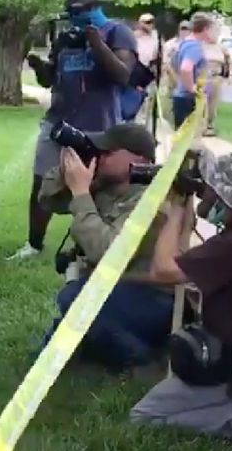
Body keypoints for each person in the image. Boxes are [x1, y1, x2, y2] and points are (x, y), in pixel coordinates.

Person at [130, 151, 232, 439]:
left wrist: (176, 209)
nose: (202, 191)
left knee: (144, 416)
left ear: (223, 198)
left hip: (231, 367)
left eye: (207, 187)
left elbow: (164, 270)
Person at [11, 0, 138, 261]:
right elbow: (50, 79)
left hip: (100, 126)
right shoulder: (65, 38)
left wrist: (96, 43)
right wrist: (37, 65)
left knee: (99, 187)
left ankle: (94, 245)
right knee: (42, 183)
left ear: (94, 7)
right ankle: (33, 244)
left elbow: (123, 75)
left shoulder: (118, 32)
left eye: (77, 12)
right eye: (69, 13)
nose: (72, 18)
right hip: (58, 121)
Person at [35, 123, 171, 370]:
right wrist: (70, 170)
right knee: (48, 354)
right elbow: (48, 200)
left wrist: (80, 193)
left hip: (151, 298)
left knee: (73, 297)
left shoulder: (152, 200)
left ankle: (140, 357)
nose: (100, 155)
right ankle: (93, 341)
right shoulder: (105, 185)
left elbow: (108, 253)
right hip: (115, 290)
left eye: (108, 152)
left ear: (139, 158)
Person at [171, 12, 219, 129]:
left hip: (181, 96)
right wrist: (192, 88)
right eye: (212, 29)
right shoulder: (194, 47)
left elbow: (175, 64)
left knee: (181, 138)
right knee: (189, 139)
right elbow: (186, 68)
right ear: (206, 28)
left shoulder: (184, 43)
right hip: (188, 99)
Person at [124, 14, 159, 124]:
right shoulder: (133, 37)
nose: (150, 25)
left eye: (151, 22)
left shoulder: (155, 37)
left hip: (149, 74)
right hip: (135, 75)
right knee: (132, 106)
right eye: (146, 22)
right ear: (140, 23)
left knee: (148, 106)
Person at [200, 34, 232, 136]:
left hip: (215, 77)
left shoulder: (221, 48)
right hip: (202, 77)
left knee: (212, 104)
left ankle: (210, 126)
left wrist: (230, 75)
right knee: (201, 103)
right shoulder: (201, 46)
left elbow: (230, 61)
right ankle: (200, 126)